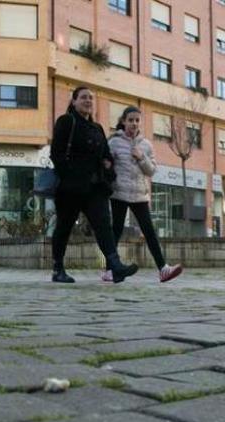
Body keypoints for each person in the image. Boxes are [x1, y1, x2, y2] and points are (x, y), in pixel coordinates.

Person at [48, 87, 139, 284]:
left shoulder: (97, 128)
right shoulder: (66, 122)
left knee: (103, 226)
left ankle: (115, 266)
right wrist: (69, 175)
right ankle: (58, 268)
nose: (88, 101)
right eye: (83, 97)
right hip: (70, 188)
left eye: (91, 98)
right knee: (64, 227)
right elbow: (56, 153)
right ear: (73, 101)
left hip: (95, 188)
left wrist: (108, 168)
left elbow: (106, 155)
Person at [102, 106, 183, 283]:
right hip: (119, 192)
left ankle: (163, 268)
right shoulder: (114, 142)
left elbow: (151, 170)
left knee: (149, 231)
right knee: (115, 231)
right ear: (123, 121)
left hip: (139, 194)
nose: (134, 123)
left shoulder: (146, 144)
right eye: (130, 120)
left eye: (137, 120)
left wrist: (141, 157)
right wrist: (107, 164)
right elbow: (106, 163)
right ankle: (110, 270)